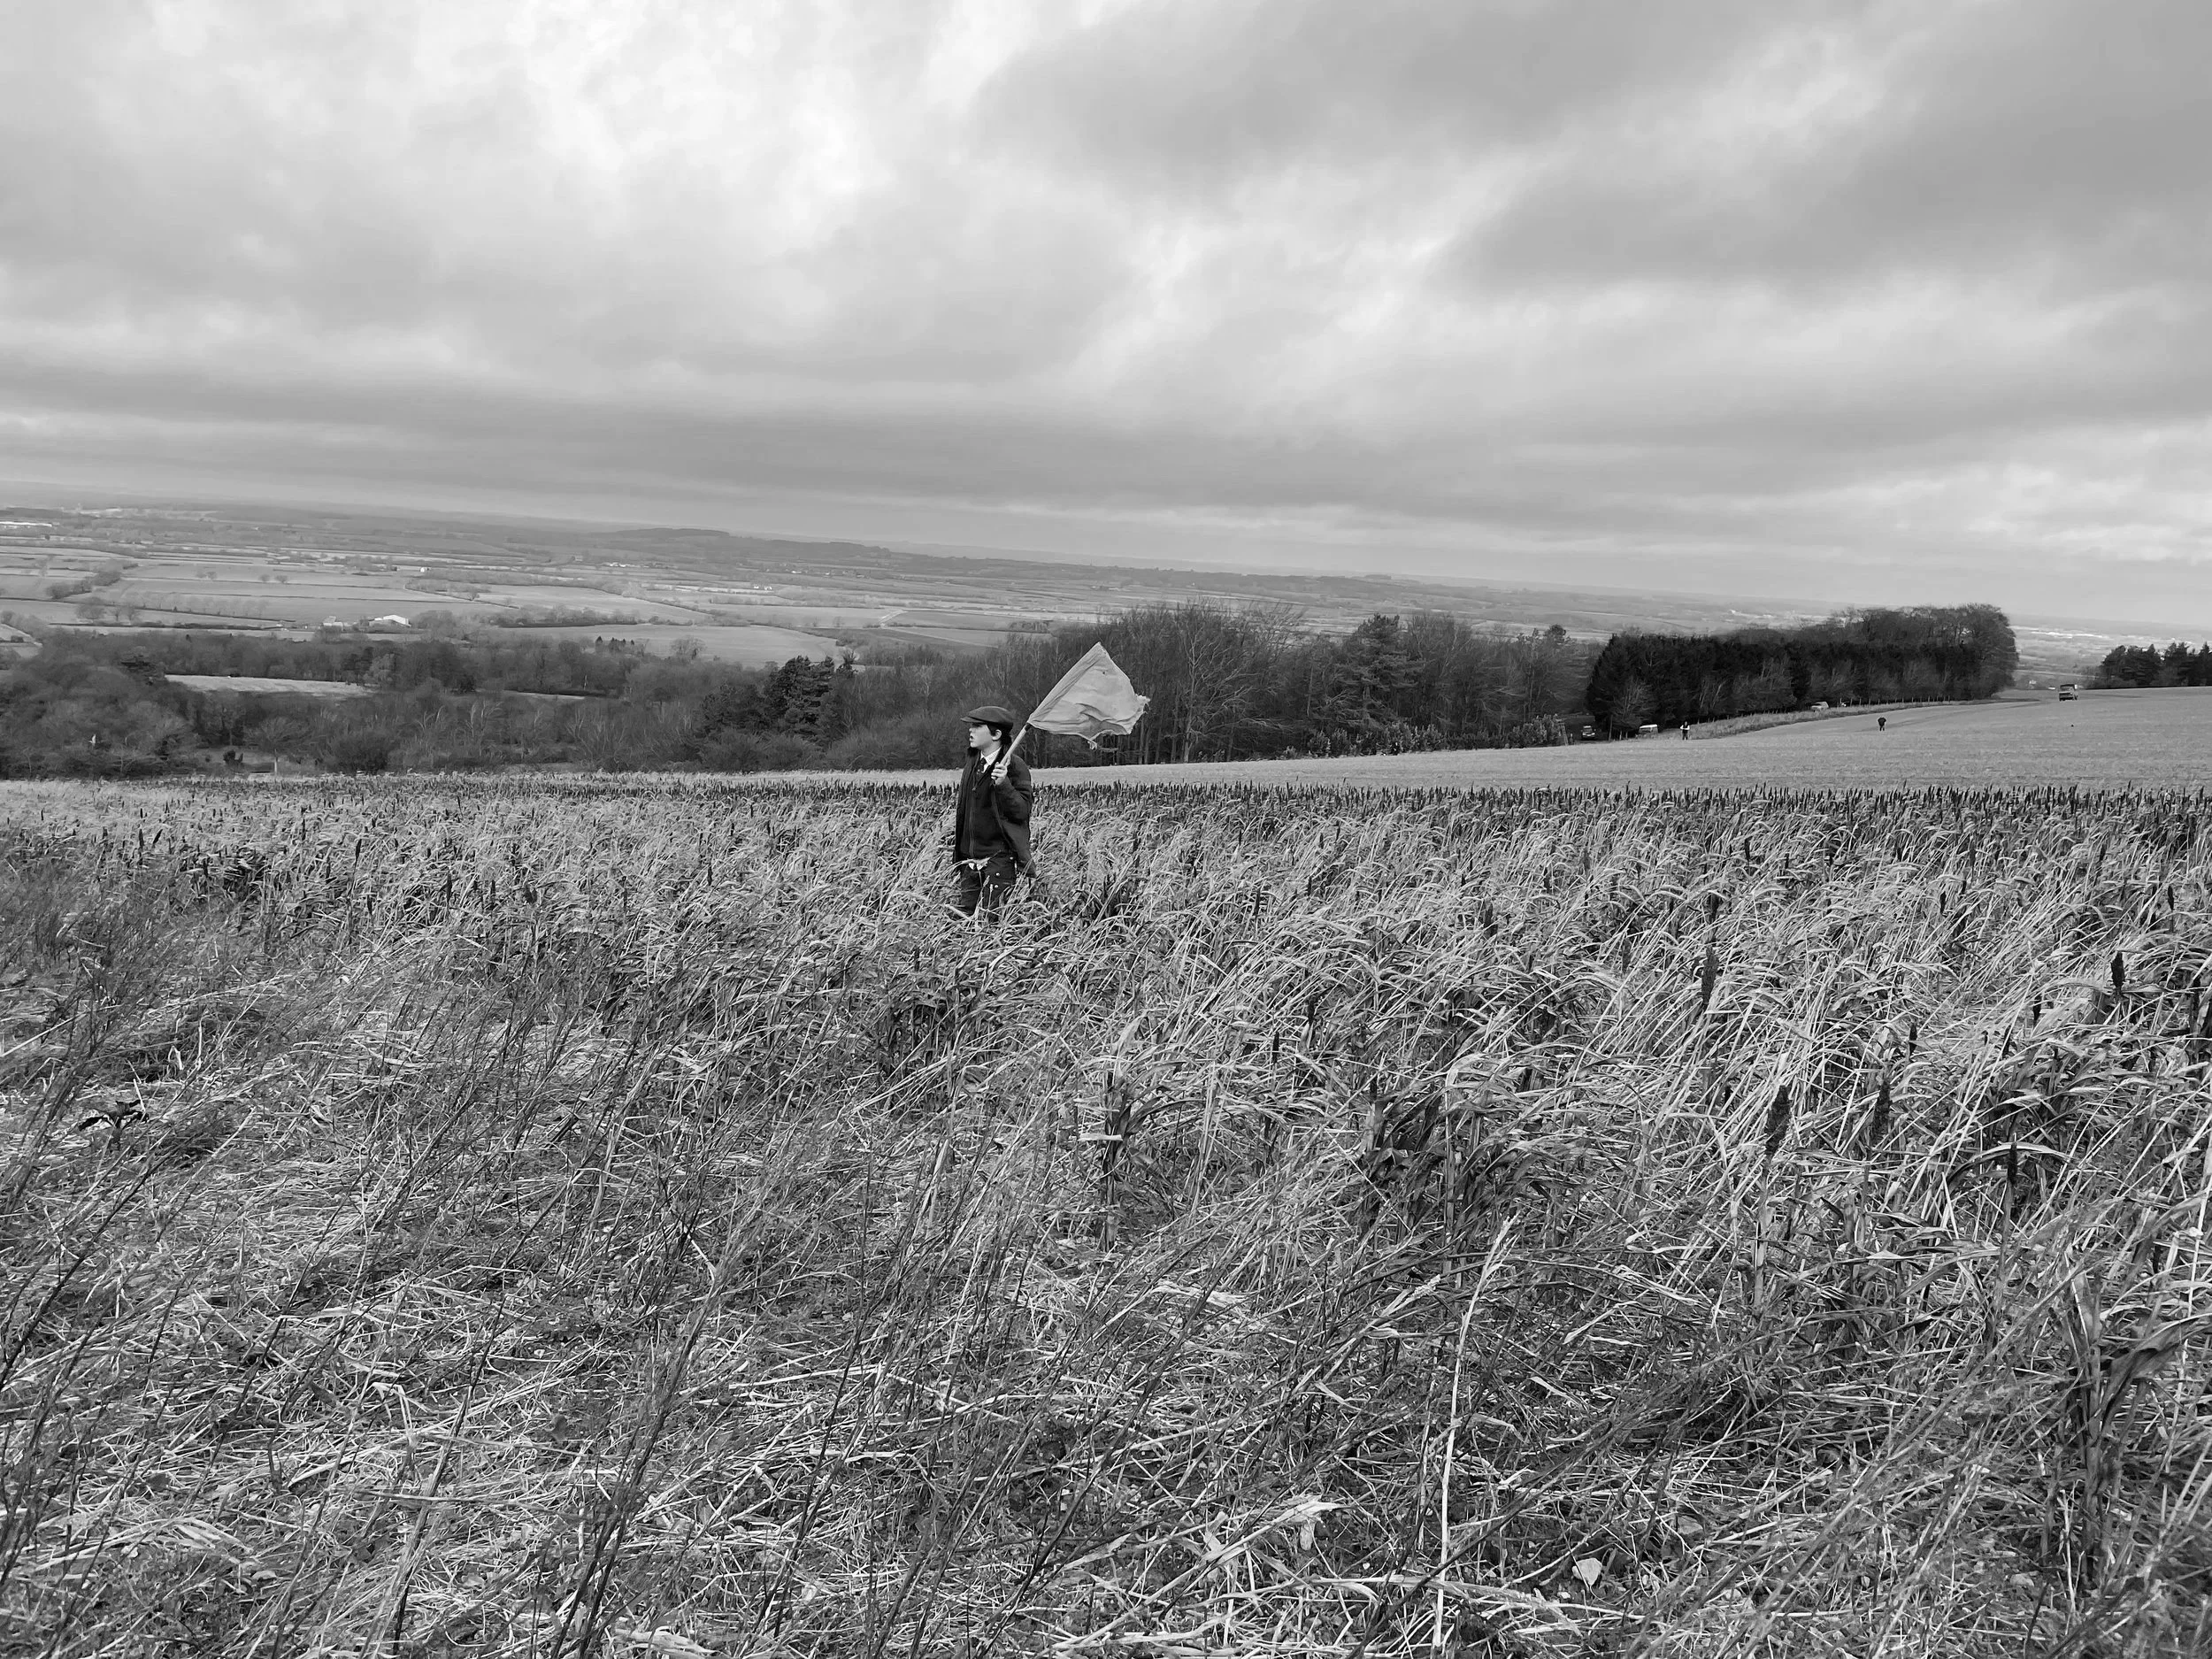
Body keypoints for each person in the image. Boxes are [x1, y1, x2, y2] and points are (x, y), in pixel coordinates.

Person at [952, 704, 1033, 915]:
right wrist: (960, 859)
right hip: (969, 863)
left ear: (996, 734)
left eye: (977, 726)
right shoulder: (972, 763)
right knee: (963, 927)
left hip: (998, 864)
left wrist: (1004, 784)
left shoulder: (1015, 767)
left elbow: (1022, 812)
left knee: (992, 925)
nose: (970, 730)